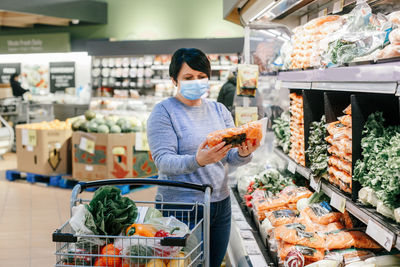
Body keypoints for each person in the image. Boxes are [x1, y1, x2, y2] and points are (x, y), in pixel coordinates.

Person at [147, 48, 260, 267]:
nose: (196, 82)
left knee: (213, 263)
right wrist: (198, 161)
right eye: (188, 78)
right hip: (181, 208)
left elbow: (230, 158)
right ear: (174, 80)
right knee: (186, 264)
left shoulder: (218, 110)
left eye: (201, 77)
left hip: (220, 203)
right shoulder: (163, 112)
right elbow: (163, 161)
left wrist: (244, 153)